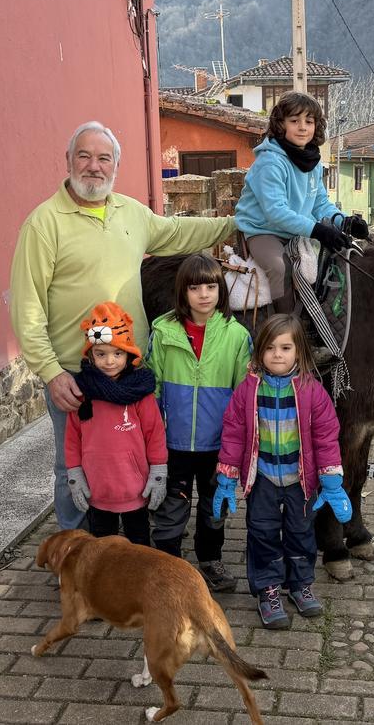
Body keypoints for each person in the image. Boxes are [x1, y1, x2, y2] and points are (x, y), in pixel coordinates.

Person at [10, 121, 237, 530]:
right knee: (74, 466)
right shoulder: (43, 224)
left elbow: (178, 232)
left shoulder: (131, 213)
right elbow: (27, 308)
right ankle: (77, 558)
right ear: (68, 161)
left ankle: (127, 550)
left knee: (132, 456)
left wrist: (232, 225)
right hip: (76, 374)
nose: (93, 167)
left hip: (132, 367)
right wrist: (51, 373)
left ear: (115, 165)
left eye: (103, 158)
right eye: (84, 156)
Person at [213, 314, 353, 629]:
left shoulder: (312, 391)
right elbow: (233, 433)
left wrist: (331, 481)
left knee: (302, 534)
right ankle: (268, 590)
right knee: (262, 534)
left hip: (300, 481)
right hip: (261, 478)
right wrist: (227, 476)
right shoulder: (247, 390)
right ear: (259, 351)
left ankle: (300, 585)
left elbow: (326, 436)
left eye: (286, 347)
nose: (278, 354)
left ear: (299, 352)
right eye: (271, 347)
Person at [146, 253, 252, 592]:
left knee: (213, 507)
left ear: (221, 289)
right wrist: (153, 434)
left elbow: (242, 397)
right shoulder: (163, 332)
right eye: (195, 288)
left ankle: (209, 561)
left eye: (211, 286)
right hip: (172, 443)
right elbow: (153, 387)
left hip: (217, 445)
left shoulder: (236, 336)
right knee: (170, 506)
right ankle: (167, 565)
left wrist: (238, 445)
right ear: (182, 292)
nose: (204, 294)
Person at [233, 91, 368, 313]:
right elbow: (275, 212)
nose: (302, 127)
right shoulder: (270, 163)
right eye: (294, 121)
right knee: (279, 267)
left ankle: (320, 318)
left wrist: (345, 222)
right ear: (281, 125)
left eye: (309, 121)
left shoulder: (312, 162)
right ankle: (286, 328)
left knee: (334, 260)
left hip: (296, 230)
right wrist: (318, 230)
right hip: (263, 230)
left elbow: (319, 204)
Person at [63, 302, 166, 544]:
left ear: (129, 354)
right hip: (98, 490)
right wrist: (74, 474)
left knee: (139, 546)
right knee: (102, 548)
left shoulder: (140, 393)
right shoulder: (82, 392)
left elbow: (155, 434)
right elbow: (71, 438)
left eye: (117, 353)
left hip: (135, 489)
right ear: (90, 355)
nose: (110, 361)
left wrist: (159, 472)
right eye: (101, 354)